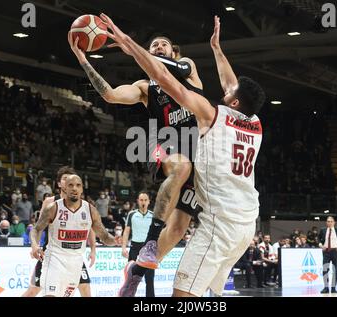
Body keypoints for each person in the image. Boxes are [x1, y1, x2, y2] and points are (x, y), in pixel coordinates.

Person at [105, 14, 265, 297]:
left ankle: (143, 260)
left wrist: (129, 44)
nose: (226, 90)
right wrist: (216, 48)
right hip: (246, 222)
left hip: (220, 223)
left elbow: (166, 78)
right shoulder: (255, 124)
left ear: (235, 101)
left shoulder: (213, 114)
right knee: (200, 279)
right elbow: (230, 85)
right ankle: (139, 268)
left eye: (231, 92)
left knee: (183, 295)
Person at [69, 23, 204, 278]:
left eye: (163, 44)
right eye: (154, 45)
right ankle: (151, 240)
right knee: (182, 166)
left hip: (199, 150)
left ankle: (137, 272)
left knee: (177, 229)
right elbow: (110, 95)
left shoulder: (187, 68)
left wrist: (134, 48)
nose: (158, 47)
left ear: (174, 51)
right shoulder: (145, 87)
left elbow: (172, 67)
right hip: (164, 144)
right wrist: (83, 60)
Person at [30, 175, 118, 297]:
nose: (74, 188)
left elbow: (104, 236)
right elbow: (36, 229)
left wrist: (116, 240)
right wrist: (34, 245)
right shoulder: (53, 208)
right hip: (54, 259)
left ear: (82, 189)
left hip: (76, 263)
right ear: (64, 188)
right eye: (70, 185)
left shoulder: (90, 210)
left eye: (78, 185)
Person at [22, 167, 97, 297]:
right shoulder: (50, 202)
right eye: (65, 179)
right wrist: (35, 245)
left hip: (74, 255)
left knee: (85, 288)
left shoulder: (82, 204)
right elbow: (39, 227)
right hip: (52, 253)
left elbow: (90, 228)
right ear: (59, 184)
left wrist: (93, 250)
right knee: (33, 290)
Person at [120, 192, 155, 297]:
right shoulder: (132, 214)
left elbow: (157, 235)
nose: (143, 202)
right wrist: (123, 248)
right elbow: (126, 232)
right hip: (135, 248)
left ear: (149, 202)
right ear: (138, 201)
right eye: (141, 200)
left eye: (145, 200)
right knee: (131, 279)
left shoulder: (153, 215)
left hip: (148, 249)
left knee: (149, 279)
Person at [318, 216, 337, 294]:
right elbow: (318, 239)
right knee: (325, 269)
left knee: (335, 270)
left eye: (331, 221)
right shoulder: (323, 230)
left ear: (334, 222)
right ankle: (326, 287)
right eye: (328, 221)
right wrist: (320, 245)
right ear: (326, 222)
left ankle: (333, 287)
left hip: (335, 251)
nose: (330, 223)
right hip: (326, 252)